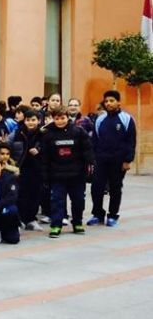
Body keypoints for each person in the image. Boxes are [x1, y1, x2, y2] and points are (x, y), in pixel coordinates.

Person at [42, 107, 93, 238]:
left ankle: (77, 223)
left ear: (67, 117)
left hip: (77, 174)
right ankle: (56, 225)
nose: (60, 121)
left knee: (78, 200)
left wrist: (90, 164)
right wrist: (45, 174)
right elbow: (45, 157)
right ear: (53, 119)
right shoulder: (48, 134)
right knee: (57, 201)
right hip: (56, 175)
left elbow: (87, 150)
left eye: (62, 118)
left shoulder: (79, 131)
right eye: (57, 118)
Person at [88, 90, 136, 227]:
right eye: (106, 101)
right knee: (96, 188)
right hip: (101, 160)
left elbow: (131, 141)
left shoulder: (126, 119)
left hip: (119, 161)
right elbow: (94, 140)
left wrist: (128, 160)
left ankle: (113, 215)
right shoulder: (100, 119)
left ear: (118, 102)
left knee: (115, 188)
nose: (108, 103)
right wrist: (92, 158)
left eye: (111, 101)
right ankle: (97, 214)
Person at [13, 108, 44, 231]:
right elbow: (9, 147)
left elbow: (48, 148)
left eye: (33, 120)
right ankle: (20, 219)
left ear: (39, 121)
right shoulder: (18, 133)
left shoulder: (43, 134)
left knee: (35, 194)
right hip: (21, 168)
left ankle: (31, 219)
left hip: (37, 168)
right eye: (28, 120)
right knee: (21, 194)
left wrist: (39, 150)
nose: (30, 122)